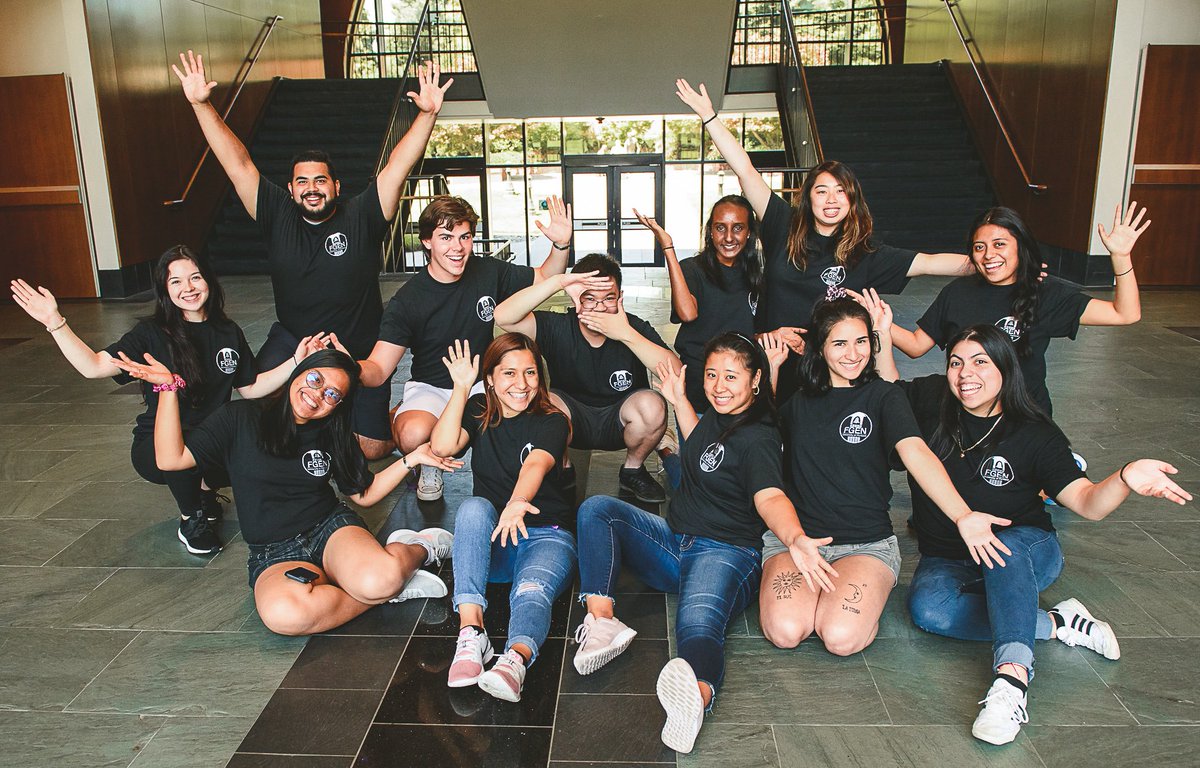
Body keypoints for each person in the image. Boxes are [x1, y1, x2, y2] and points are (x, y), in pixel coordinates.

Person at [896, 324, 1190, 745]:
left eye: (981, 362)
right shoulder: (930, 404)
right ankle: (1058, 621)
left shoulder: (1034, 432)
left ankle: (1010, 683)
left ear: (1005, 368)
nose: (965, 374)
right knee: (930, 612)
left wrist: (1124, 477)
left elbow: (1088, 502)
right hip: (949, 555)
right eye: (956, 362)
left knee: (1004, 552)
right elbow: (884, 392)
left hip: (1026, 546)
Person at [172, 50, 452, 460]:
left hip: (359, 348)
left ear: (336, 186)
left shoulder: (362, 214)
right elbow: (237, 164)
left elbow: (396, 166)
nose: (312, 187)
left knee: (372, 451)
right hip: (293, 340)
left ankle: (392, 418)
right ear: (290, 190)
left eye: (321, 180)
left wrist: (426, 115)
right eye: (302, 181)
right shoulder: (276, 214)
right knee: (258, 404)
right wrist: (201, 105)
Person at [572, 333, 813, 754]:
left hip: (726, 553)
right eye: (713, 375)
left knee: (698, 624)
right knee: (597, 510)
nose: (719, 385)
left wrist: (794, 537)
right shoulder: (720, 417)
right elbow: (702, 443)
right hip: (675, 541)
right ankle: (602, 620)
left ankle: (696, 699)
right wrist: (678, 398)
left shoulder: (759, 438)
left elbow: (770, 496)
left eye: (731, 376)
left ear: (756, 380)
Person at [113, 347, 461, 635]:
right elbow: (171, 460)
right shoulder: (238, 418)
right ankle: (386, 591)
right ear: (299, 372)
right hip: (273, 551)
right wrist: (167, 392)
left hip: (329, 530)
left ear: (338, 405)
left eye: (331, 395)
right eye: (315, 378)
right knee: (284, 616)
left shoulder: (332, 432)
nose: (316, 395)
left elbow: (363, 495)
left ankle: (418, 549)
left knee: (381, 577)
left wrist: (411, 459)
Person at [10, 245, 323, 554]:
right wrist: (56, 322)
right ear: (164, 290)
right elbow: (93, 367)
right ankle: (191, 516)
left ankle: (202, 489)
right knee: (188, 444)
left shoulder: (227, 331)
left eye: (195, 278)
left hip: (213, 439)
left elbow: (251, 387)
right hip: (159, 445)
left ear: (209, 282)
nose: (188, 288)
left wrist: (296, 362)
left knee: (262, 445)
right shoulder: (151, 334)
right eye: (176, 282)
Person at [758, 292, 1011, 660]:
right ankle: (819, 601)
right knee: (784, 631)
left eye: (862, 341)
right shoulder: (798, 402)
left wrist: (963, 515)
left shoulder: (885, 397)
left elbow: (916, 453)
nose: (853, 354)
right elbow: (762, 445)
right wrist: (773, 369)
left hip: (864, 544)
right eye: (840, 343)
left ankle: (851, 601)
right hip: (796, 541)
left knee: (840, 638)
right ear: (820, 347)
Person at [673, 79, 972, 365]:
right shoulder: (783, 224)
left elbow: (931, 263)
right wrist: (709, 117)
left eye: (840, 192)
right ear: (808, 198)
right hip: (773, 359)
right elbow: (746, 170)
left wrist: (992, 263)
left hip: (829, 368)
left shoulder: (864, 254)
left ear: (852, 200)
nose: (831, 199)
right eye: (821, 191)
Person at [357, 195, 571, 500]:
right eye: (446, 237)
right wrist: (345, 366)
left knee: (508, 419)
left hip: (479, 384)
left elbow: (545, 276)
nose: (457, 248)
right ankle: (427, 459)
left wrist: (560, 245)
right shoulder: (408, 300)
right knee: (412, 433)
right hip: (431, 386)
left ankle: (505, 474)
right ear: (427, 241)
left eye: (465, 237)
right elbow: (378, 370)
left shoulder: (486, 271)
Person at [888, 204, 1150, 416]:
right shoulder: (957, 292)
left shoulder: (1045, 294)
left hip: (1026, 417)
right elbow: (915, 346)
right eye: (980, 247)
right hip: (968, 415)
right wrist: (880, 322)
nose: (989, 254)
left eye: (1000, 244)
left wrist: (1121, 257)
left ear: (1020, 247)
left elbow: (1125, 314)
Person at [429, 334, 576, 703]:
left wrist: (518, 501)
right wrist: (461, 387)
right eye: (509, 373)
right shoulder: (479, 407)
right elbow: (442, 447)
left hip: (547, 535)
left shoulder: (552, 420)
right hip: (498, 540)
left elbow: (537, 463)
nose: (522, 384)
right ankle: (471, 633)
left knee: (531, 592)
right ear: (490, 378)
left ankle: (515, 661)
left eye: (530, 373)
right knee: (473, 507)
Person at [494, 253, 681, 503]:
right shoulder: (558, 326)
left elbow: (677, 373)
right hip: (571, 420)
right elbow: (503, 317)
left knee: (654, 404)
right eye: (590, 299)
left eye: (608, 298)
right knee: (544, 404)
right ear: (576, 299)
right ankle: (563, 470)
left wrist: (626, 334)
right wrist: (558, 282)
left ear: (620, 299)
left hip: (621, 420)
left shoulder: (633, 327)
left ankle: (633, 470)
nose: (600, 307)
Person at [633, 196, 763, 415]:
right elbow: (687, 313)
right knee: (698, 448)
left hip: (740, 384)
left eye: (738, 228)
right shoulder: (693, 269)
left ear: (749, 232)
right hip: (700, 381)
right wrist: (668, 247)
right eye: (720, 228)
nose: (729, 237)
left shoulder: (756, 272)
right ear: (710, 231)